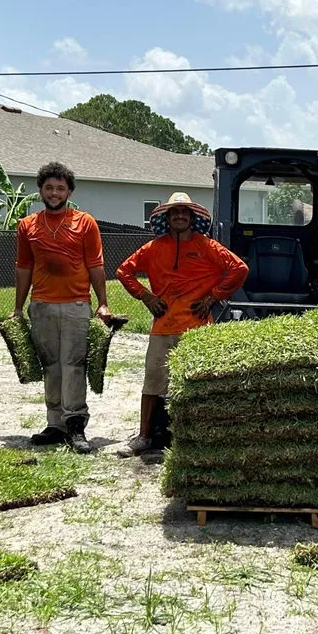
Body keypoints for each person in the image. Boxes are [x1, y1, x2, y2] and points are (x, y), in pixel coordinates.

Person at [115, 192, 248, 458]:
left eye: (184, 212)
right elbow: (123, 271)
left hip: (197, 328)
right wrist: (146, 296)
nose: (179, 216)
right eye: (174, 213)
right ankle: (143, 436)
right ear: (167, 218)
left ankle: (199, 436)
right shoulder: (153, 248)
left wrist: (213, 297)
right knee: (152, 384)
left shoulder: (207, 246)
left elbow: (239, 269)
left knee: (199, 384)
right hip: (163, 325)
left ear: (191, 217)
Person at [12, 161, 112, 454]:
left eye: (60, 188)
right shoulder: (27, 226)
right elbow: (23, 267)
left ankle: (76, 425)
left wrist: (103, 302)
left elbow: (96, 265)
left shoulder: (85, 223)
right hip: (41, 305)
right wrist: (18, 308)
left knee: (73, 365)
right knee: (51, 367)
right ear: (41, 190)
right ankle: (55, 424)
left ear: (69, 191)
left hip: (76, 305)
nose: (54, 193)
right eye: (49, 187)